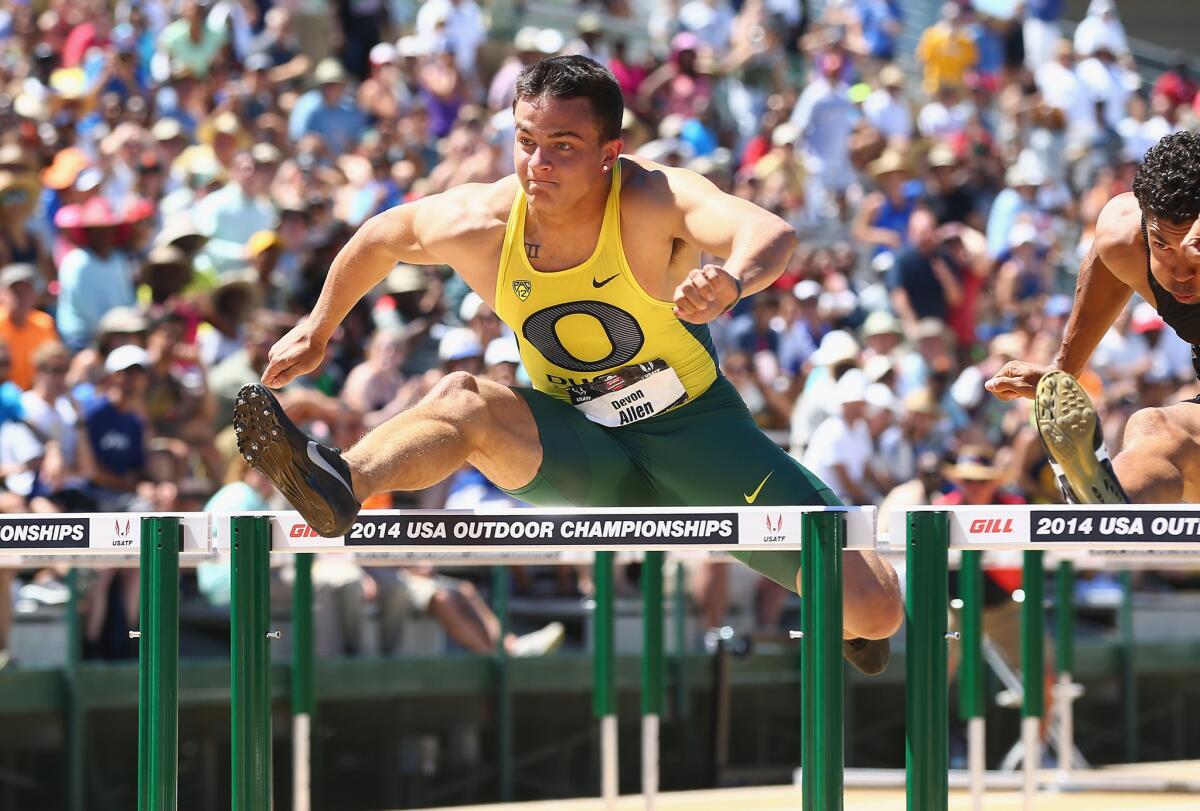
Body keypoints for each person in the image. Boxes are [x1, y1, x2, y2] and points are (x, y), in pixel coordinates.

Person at [235, 56, 902, 674]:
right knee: (465, 398)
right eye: (526, 142)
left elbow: (769, 232)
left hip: (698, 435)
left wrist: (730, 278)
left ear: (610, 152)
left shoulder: (650, 200)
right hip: (582, 446)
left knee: (875, 609)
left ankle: (853, 610)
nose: (538, 164)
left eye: (563, 147)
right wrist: (318, 326)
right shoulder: (483, 222)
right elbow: (381, 237)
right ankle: (339, 478)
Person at [986, 130, 1200, 504]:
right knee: (1153, 428)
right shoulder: (1125, 235)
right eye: (1162, 245)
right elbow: (1105, 260)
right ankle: (1104, 506)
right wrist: (1062, 374)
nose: (1180, 273)